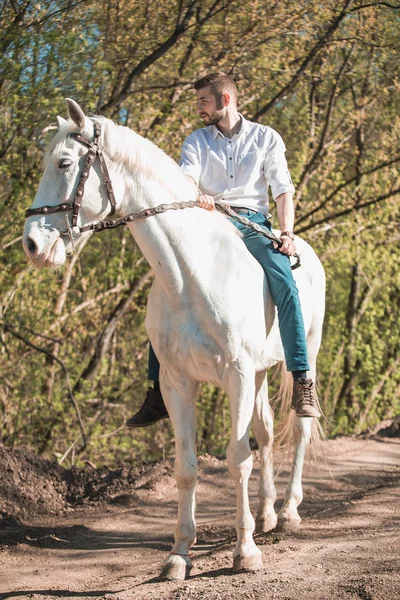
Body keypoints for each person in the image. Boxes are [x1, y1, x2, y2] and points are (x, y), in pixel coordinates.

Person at [126, 72, 320, 428]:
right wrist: (193, 194)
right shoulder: (197, 141)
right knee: (165, 283)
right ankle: (157, 391)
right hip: (208, 221)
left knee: (285, 280)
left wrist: (287, 231)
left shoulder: (266, 138)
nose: (198, 108)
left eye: (203, 101)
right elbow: (186, 175)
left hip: (252, 225)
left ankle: (303, 380)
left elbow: (282, 190)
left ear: (225, 101)